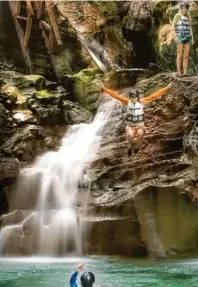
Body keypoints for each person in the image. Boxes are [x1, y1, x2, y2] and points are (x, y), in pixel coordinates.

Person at [102, 82, 172, 156]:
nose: (133, 99)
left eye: (134, 97)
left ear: (137, 97)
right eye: (131, 97)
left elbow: (155, 95)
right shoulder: (127, 101)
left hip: (140, 125)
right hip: (131, 126)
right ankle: (130, 146)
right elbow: (115, 96)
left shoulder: (142, 101)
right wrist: (104, 88)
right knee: (130, 136)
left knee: (140, 133)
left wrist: (167, 87)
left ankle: (137, 146)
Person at [173, 1, 194, 77]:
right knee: (179, 55)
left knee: (186, 56)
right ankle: (179, 72)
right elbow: (173, 26)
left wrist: (192, 38)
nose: (184, 10)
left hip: (188, 37)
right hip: (180, 36)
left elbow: (190, 27)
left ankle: (185, 72)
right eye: (183, 8)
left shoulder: (188, 16)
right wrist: (175, 36)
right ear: (181, 8)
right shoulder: (177, 16)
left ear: (187, 9)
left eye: (186, 8)